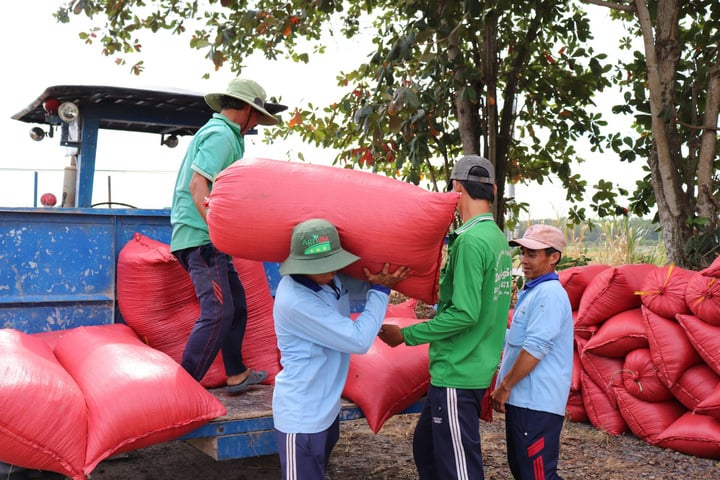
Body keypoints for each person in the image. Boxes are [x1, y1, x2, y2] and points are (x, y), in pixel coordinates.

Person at [378, 154, 513, 480]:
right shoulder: (496, 239)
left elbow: (464, 314)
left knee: (460, 469)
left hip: (458, 371)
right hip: (473, 364)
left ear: (455, 188)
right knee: (426, 449)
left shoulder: (468, 242)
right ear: (492, 189)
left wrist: (405, 336)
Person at [272, 218, 410, 480]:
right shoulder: (296, 301)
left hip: (325, 410)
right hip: (302, 419)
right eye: (324, 266)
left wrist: (379, 278)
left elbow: (355, 286)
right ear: (302, 266)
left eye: (334, 263)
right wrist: (381, 290)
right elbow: (358, 340)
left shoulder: (327, 281)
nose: (332, 271)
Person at [170, 78, 280, 393]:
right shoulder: (219, 135)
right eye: (257, 113)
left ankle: (236, 373)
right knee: (218, 312)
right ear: (245, 108)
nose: (257, 120)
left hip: (209, 239)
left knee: (238, 306)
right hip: (201, 238)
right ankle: (182, 388)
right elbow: (197, 186)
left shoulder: (228, 136)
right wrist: (216, 226)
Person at [489, 224, 573, 480]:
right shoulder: (535, 291)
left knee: (538, 475)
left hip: (537, 402)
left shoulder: (550, 295)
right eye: (523, 253)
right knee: (525, 470)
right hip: (524, 401)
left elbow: (534, 349)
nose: (524, 260)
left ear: (553, 257)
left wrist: (504, 386)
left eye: (532, 254)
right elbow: (517, 342)